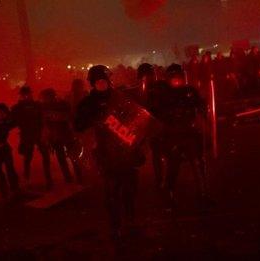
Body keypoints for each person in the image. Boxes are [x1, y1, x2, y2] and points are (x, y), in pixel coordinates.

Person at [74, 65, 146, 240]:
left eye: (104, 80)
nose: (102, 84)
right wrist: (94, 121)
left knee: (130, 188)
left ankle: (130, 219)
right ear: (92, 83)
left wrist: (137, 142)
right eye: (98, 81)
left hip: (125, 148)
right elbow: (78, 125)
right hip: (105, 150)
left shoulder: (120, 98)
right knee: (111, 190)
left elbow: (136, 118)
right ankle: (115, 225)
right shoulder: (88, 103)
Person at [158, 64, 207, 209]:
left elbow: (199, 105)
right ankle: (169, 194)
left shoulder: (190, 91)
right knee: (173, 166)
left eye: (178, 77)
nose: (176, 80)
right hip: (172, 134)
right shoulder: (164, 94)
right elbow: (158, 113)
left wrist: (203, 109)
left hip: (189, 132)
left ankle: (202, 193)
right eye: (173, 77)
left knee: (197, 163)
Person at [11, 86, 51, 189]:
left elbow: (43, 119)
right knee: (28, 158)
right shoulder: (18, 107)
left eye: (27, 94)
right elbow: (12, 120)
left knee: (45, 156)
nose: (26, 96)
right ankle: (27, 179)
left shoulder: (37, 105)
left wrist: (44, 132)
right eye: (24, 94)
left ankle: (48, 179)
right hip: (27, 135)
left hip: (37, 133)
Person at [40, 88, 82, 184]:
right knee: (63, 158)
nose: (44, 99)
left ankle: (78, 177)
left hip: (66, 134)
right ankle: (70, 178)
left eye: (45, 97)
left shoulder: (63, 104)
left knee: (72, 156)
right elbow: (44, 123)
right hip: (57, 137)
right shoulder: (44, 107)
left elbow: (70, 117)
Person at [0, 103, 20, 200]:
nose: (1, 115)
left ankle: (15, 188)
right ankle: (4, 190)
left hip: (4, 147)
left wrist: (10, 112)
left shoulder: (6, 123)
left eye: (3, 113)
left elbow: (15, 121)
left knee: (10, 168)